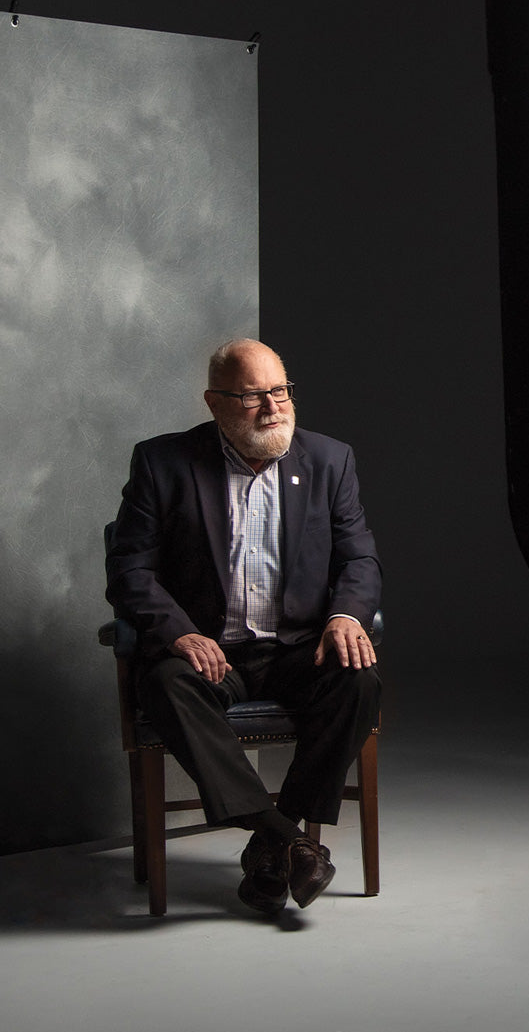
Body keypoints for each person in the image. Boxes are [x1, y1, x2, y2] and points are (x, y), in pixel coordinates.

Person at [106, 338, 382, 917]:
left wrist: (344, 616)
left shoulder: (331, 461)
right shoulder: (163, 463)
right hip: (211, 653)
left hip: (296, 650)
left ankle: (269, 844)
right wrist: (178, 633)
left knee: (358, 680)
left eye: (280, 391)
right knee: (163, 683)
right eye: (253, 395)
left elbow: (359, 559)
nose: (273, 406)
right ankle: (291, 840)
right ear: (214, 403)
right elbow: (129, 567)